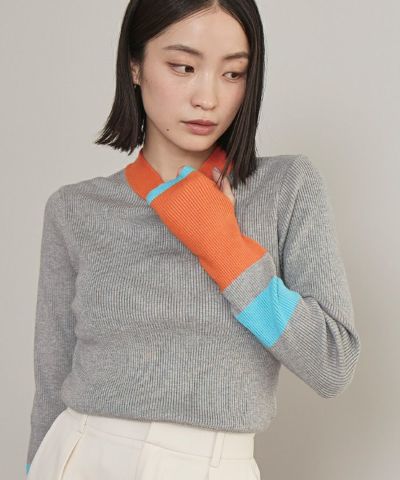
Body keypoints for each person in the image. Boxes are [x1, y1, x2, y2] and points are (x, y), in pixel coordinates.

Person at [25, 0, 362, 478]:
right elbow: (51, 383)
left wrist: (225, 248)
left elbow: (333, 363)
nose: (208, 98)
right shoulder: (75, 209)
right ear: (135, 66)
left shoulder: (287, 187)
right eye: (183, 67)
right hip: (80, 455)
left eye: (233, 73)